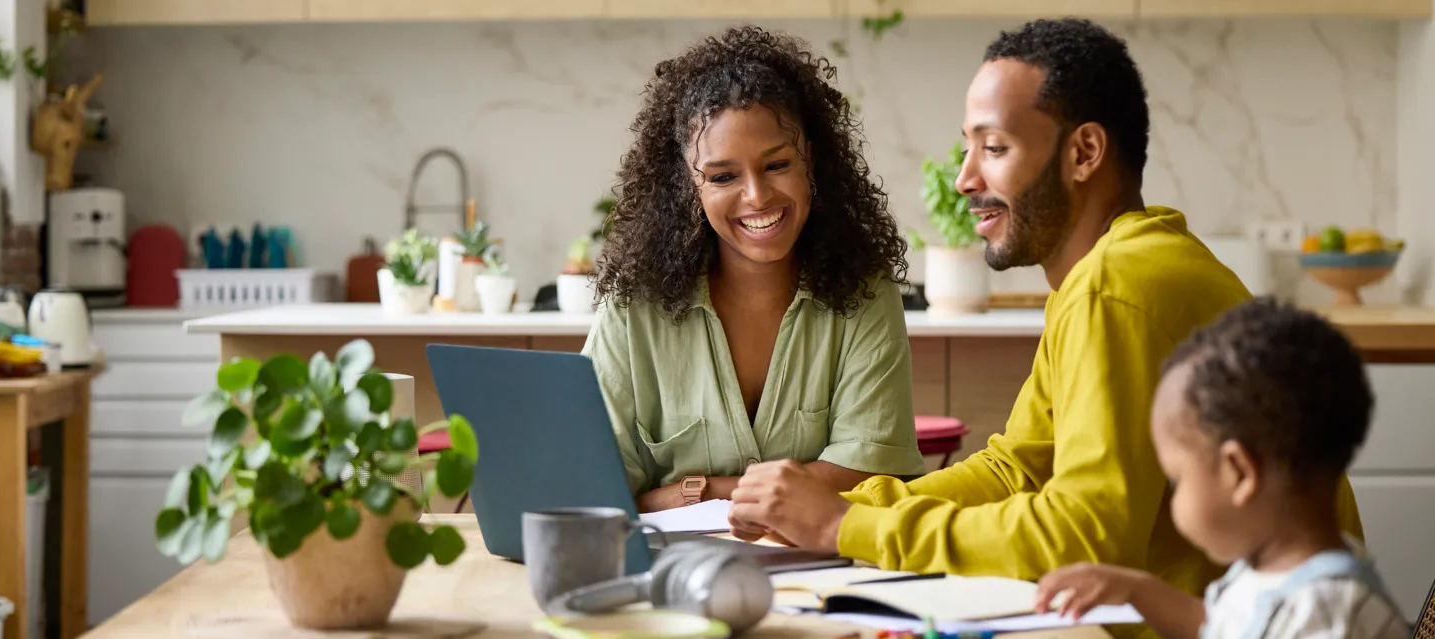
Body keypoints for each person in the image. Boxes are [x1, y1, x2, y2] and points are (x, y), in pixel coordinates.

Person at [726, 15, 1365, 621]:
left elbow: (1082, 533)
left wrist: (846, 527)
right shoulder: (1109, 271)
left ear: (1084, 152)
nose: (965, 180)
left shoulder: (1114, 286)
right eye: (968, 149)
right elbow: (1019, 467)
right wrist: (844, 505)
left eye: (994, 147)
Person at [582, 25, 928, 513]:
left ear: (813, 162)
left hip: (823, 570)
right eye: (723, 176)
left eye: (777, 165)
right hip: (671, 574)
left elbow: (868, 473)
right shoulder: (632, 309)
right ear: (687, 187)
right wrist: (796, 486)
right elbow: (594, 489)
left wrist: (691, 493)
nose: (757, 196)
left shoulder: (865, 293)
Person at [1035, 298, 1407, 639]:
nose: (1174, 499)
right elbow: (1217, 626)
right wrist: (1136, 590)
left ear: (1239, 473)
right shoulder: (1269, 569)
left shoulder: (1327, 615)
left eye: (1177, 479)